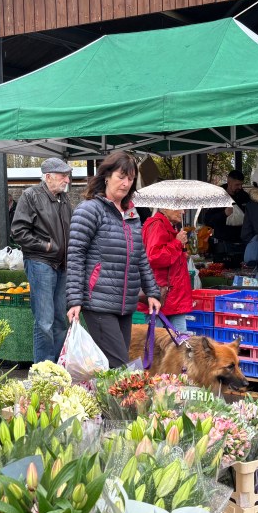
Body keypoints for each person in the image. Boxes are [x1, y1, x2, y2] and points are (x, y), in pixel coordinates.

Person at [67, 151, 161, 368]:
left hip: (125, 304)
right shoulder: (90, 210)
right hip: (98, 302)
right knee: (120, 366)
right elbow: (75, 255)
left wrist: (152, 292)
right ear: (106, 176)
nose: (126, 183)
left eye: (130, 178)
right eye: (121, 176)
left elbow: (140, 257)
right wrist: (74, 299)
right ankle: (127, 402)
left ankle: (106, 401)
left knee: (113, 367)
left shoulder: (131, 213)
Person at [12, 158, 74, 363]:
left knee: (59, 321)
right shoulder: (30, 196)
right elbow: (18, 231)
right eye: (63, 175)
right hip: (41, 262)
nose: (67, 179)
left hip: (61, 264)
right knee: (44, 322)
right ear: (48, 177)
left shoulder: (64, 199)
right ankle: (43, 369)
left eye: (67, 175)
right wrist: (45, 246)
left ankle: (57, 366)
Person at [137, 207, 193, 331]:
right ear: (165, 208)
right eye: (179, 208)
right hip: (162, 293)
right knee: (160, 342)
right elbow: (154, 258)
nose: (183, 212)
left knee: (177, 342)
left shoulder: (169, 226)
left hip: (172, 296)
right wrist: (177, 243)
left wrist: (181, 253)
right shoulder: (157, 225)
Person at [202, 169, 251, 245]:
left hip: (242, 241)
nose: (240, 187)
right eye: (237, 185)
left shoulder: (244, 196)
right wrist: (224, 214)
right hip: (223, 242)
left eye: (241, 184)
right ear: (229, 182)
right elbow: (207, 220)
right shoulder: (218, 197)